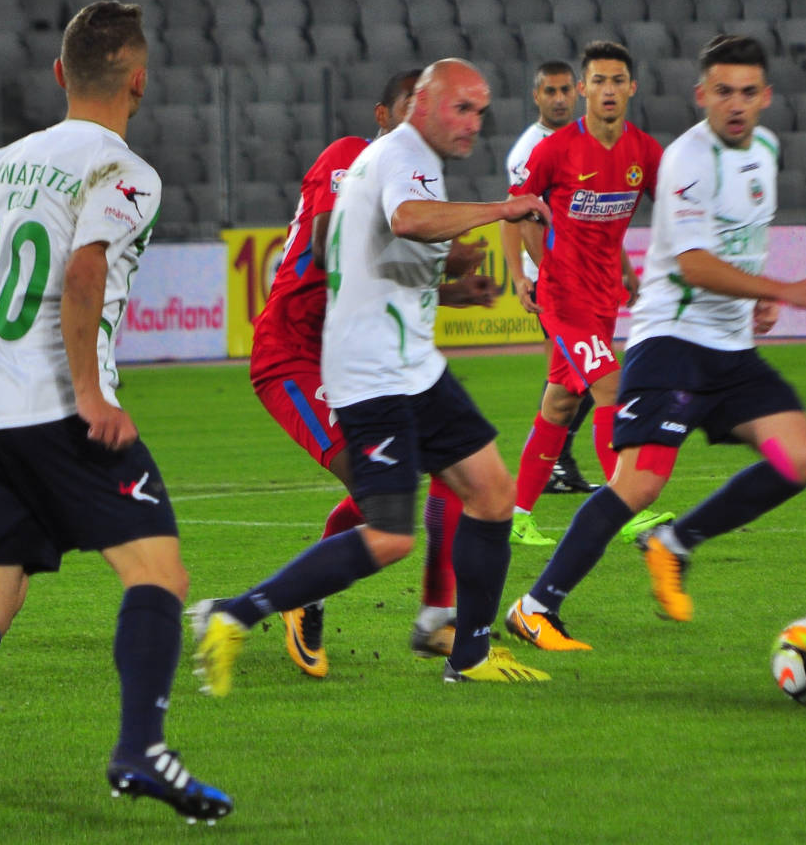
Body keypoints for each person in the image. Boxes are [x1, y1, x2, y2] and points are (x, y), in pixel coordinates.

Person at [0, 0, 231, 829]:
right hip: (63, 413)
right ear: (138, 82)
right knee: (159, 576)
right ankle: (140, 747)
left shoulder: (2, 163)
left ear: (61, 74)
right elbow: (83, 272)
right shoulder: (123, 171)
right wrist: (92, 394)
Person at [192, 58, 554, 691]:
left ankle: (459, 644)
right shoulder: (381, 157)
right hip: (331, 361)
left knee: (486, 491)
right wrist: (499, 210)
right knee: (387, 523)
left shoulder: (406, 167)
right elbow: (388, 227)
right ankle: (257, 608)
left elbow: (367, 257)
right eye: (461, 108)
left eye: (480, 110)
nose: (474, 122)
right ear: (409, 109)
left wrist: (445, 288)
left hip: (404, 362)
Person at [504, 35, 806, 653]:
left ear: (765, 97)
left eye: (747, 92)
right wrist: (782, 289)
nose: (735, 104)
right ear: (701, 95)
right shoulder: (679, 157)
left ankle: (673, 542)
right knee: (634, 474)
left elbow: (729, 241)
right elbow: (689, 262)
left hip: (721, 345)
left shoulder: (756, 151)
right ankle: (535, 603)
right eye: (722, 91)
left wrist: (756, 297)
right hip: (665, 340)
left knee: (801, 457)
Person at [250, 68, 499, 678]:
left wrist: (452, 290)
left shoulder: (405, 180)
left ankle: (438, 620)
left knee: (454, 468)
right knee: (377, 487)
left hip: (354, 352)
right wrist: (444, 254)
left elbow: (374, 282)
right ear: (385, 115)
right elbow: (328, 242)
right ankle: (295, 596)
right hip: (293, 355)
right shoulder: (349, 157)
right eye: (410, 106)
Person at [506, 41, 673, 550]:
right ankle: (622, 507)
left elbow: (672, 210)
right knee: (611, 389)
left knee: (559, 404)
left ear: (631, 88)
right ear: (584, 89)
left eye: (616, 80)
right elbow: (514, 212)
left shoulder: (644, 151)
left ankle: (514, 515)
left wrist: (635, 270)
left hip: (603, 297)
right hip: (562, 297)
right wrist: (521, 276)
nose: (607, 89)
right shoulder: (554, 150)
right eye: (597, 81)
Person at [501, 61, 594, 501]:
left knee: (575, 374)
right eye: (549, 91)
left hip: (583, 276)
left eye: (564, 90)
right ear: (536, 96)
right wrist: (523, 277)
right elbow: (513, 215)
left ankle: (558, 462)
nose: (558, 98)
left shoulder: (581, 138)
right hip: (554, 279)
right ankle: (554, 461)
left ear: (576, 92)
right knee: (587, 372)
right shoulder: (528, 150)